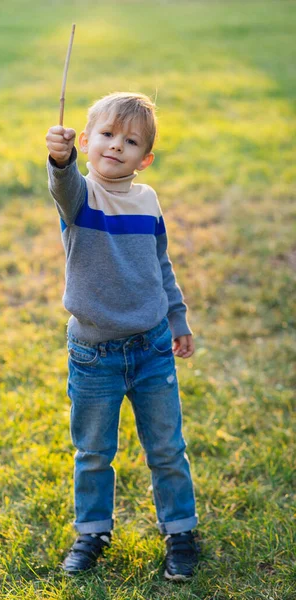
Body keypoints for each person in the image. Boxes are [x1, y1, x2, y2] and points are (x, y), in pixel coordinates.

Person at [45, 92, 199, 580]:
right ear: (87, 140)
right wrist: (59, 158)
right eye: (107, 136)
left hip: (152, 347)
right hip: (94, 354)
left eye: (130, 141)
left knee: (167, 448)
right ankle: (92, 531)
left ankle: (180, 531)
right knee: (93, 452)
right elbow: (63, 182)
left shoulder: (148, 200)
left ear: (145, 157)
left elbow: (160, 264)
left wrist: (177, 319)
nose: (116, 146)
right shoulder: (81, 198)